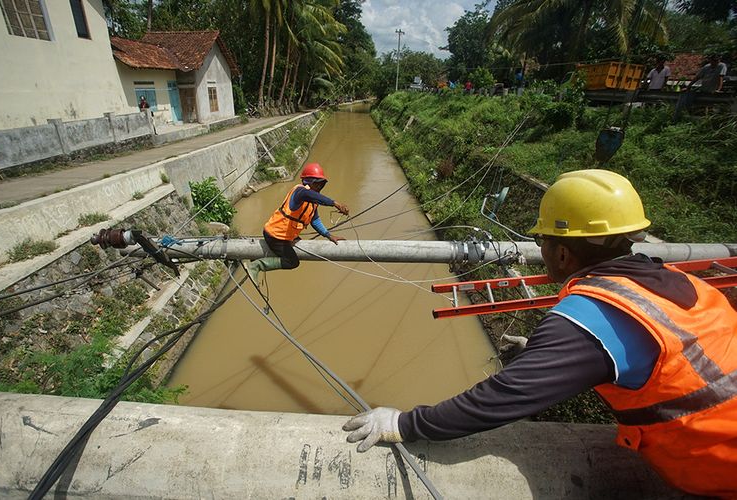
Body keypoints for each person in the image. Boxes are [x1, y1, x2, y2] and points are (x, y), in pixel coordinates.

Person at [342, 169, 737, 498]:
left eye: (541, 240)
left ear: (563, 252)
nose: (541, 249)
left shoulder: (592, 314)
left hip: (720, 469)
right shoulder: (682, 283)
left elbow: (502, 397)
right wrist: (542, 352)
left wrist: (404, 424)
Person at [246, 163, 349, 283]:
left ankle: (258, 258)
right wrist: (335, 203)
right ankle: (256, 266)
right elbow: (309, 194)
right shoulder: (300, 192)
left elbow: (314, 221)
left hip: (285, 236)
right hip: (276, 235)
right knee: (292, 262)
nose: (320, 187)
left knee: (293, 248)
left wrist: (329, 235)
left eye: (321, 184)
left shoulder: (313, 202)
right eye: (317, 183)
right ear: (309, 182)